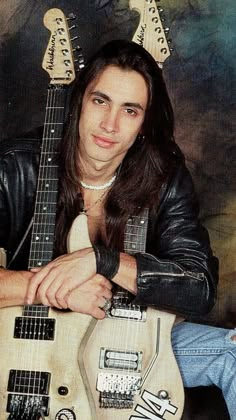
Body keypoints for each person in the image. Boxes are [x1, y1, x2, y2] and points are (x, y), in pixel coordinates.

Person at [0, 39, 235, 418]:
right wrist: (52, 288)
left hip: (128, 337)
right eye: (100, 101)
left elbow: (199, 286)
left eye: (130, 110)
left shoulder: (165, 179)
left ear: (144, 122)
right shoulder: (14, 167)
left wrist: (103, 261)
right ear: (80, 102)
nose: (110, 124)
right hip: (27, 336)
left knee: (234, 355)